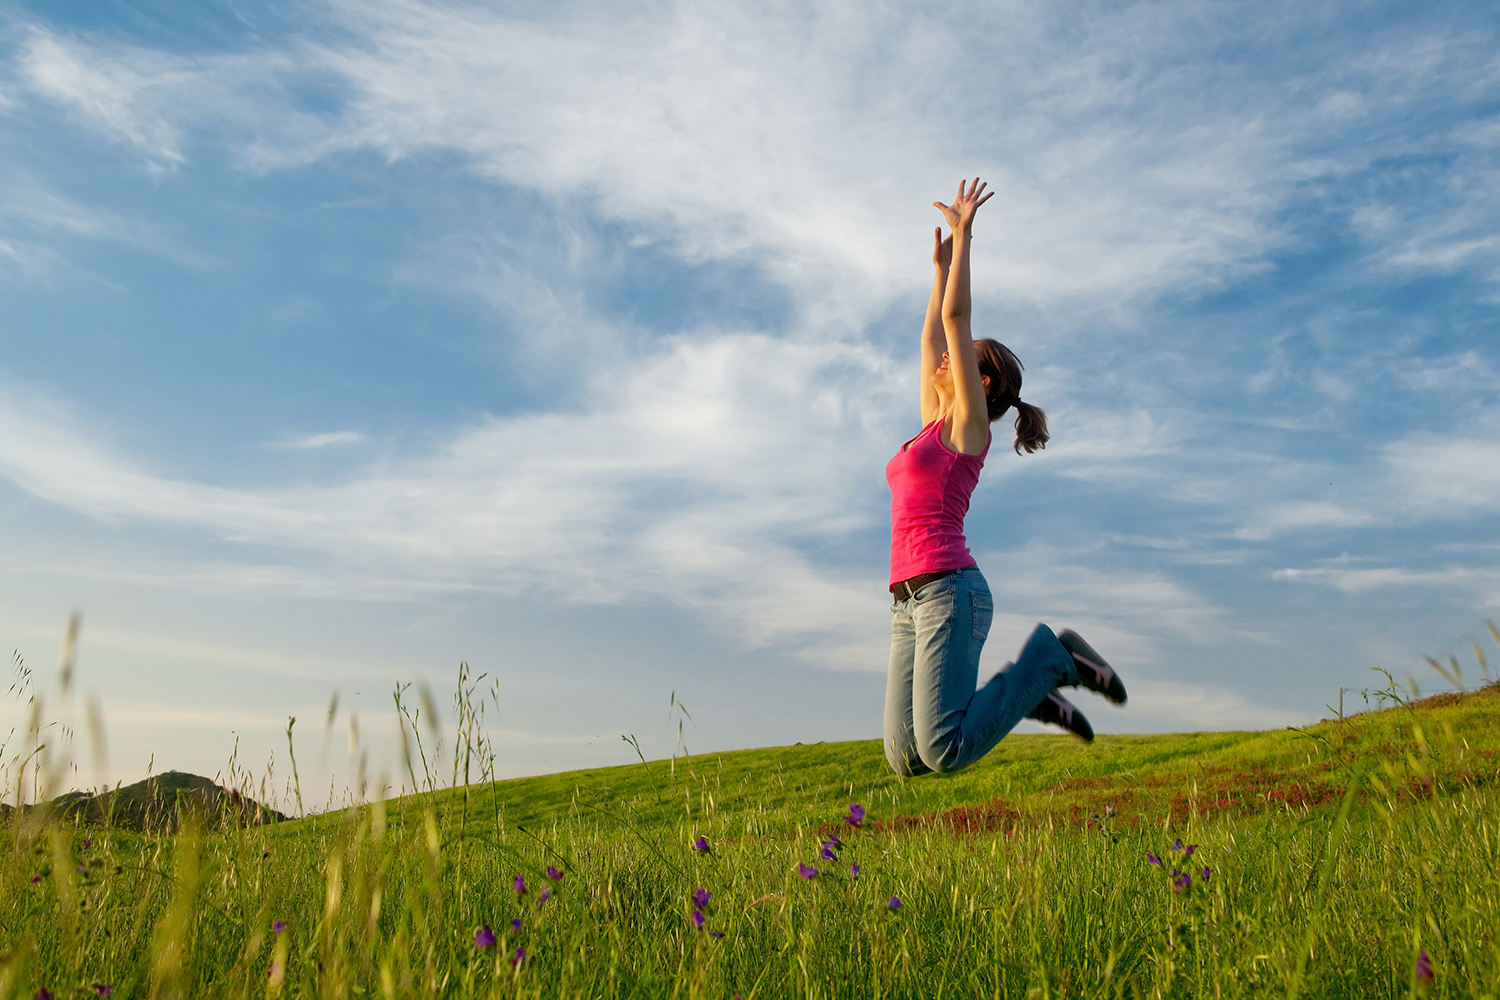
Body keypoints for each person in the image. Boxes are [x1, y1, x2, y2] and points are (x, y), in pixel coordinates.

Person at [883, 178, 1128, 777]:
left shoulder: (967, 429)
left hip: (949, 592)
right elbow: (932, 332)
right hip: (907, 600)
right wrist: (937, 268)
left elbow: (955, 318)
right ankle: (1026, 695)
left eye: (960, 356)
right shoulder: (929, 426)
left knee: (944, 751)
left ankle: (1048, 662)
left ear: (981, 382)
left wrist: (965, 237)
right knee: (906, 759)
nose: (944, 355)